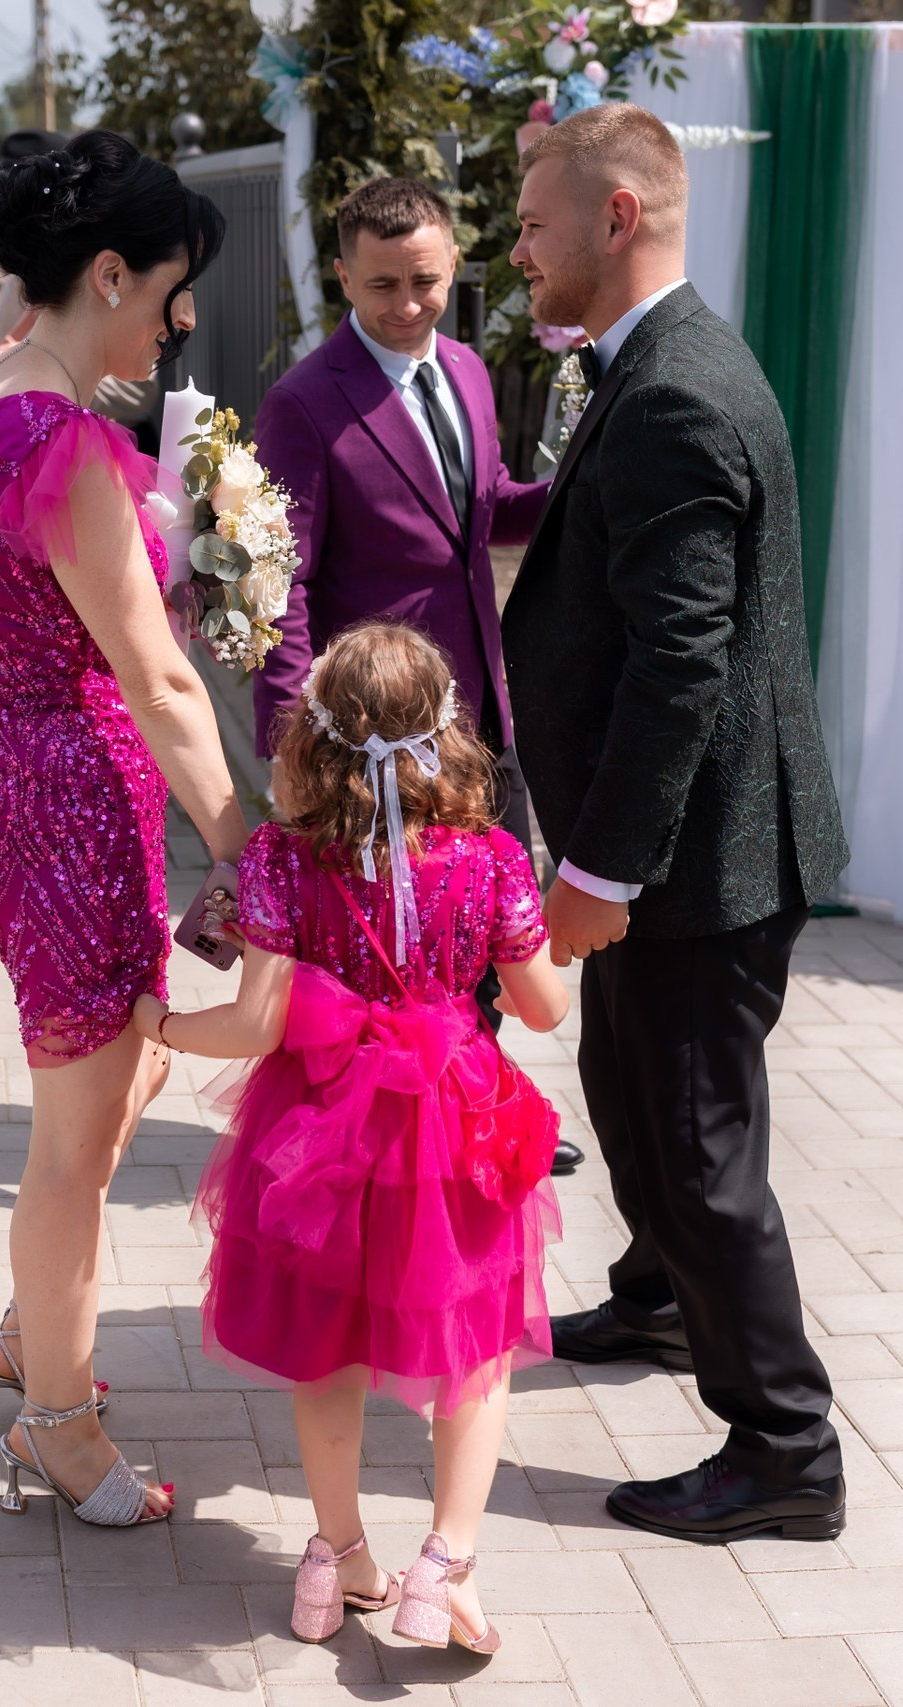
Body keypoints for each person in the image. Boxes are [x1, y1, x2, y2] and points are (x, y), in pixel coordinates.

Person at [502, 105, 852, 1543]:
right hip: (686, 847)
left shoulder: (673, 395)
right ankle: (655, 1302)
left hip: (698, 859)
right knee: (629, 1092)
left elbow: (682, 666)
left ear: (618, 217)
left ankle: (785, 1447)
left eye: (532, 223)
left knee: (699, 1150)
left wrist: (597, 872)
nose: (515, 248)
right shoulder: (659, 362)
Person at [0, 131, 241, 1526]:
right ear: (105, 273)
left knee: (115, 1079)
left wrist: (47, 617)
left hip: (8, 781)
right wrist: (248, 841)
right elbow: (158, 680)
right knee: (77, 1142)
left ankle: (36, 1334)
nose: (173, 318)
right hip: (80, 796)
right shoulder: (70, 439)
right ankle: (58, 1422)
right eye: (166, 289)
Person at [137, 621, 569, 1655]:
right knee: (473, 1349)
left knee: (323, 1351)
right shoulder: (493, 858)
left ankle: (335, 1561)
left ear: (312, 741)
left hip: (316, 1134)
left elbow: (255, 1022)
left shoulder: (283, 863)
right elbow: (543, 1009)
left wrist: (160, 1023)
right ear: (447, 733)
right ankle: (446, 1564)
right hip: (453, 1126)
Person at [245, 175, 582, 1176]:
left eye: (426, 281)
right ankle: (407, 1124)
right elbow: (281, 579)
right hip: (375, 720)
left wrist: (576, 484)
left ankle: (475, 1101)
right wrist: (291, 734)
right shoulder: (303, 403)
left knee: (480, 913)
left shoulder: (471, 372)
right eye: (382, 283)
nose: (406, 304)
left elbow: (478, 514)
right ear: (341, 273)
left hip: (477, 701)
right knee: (396, 927)